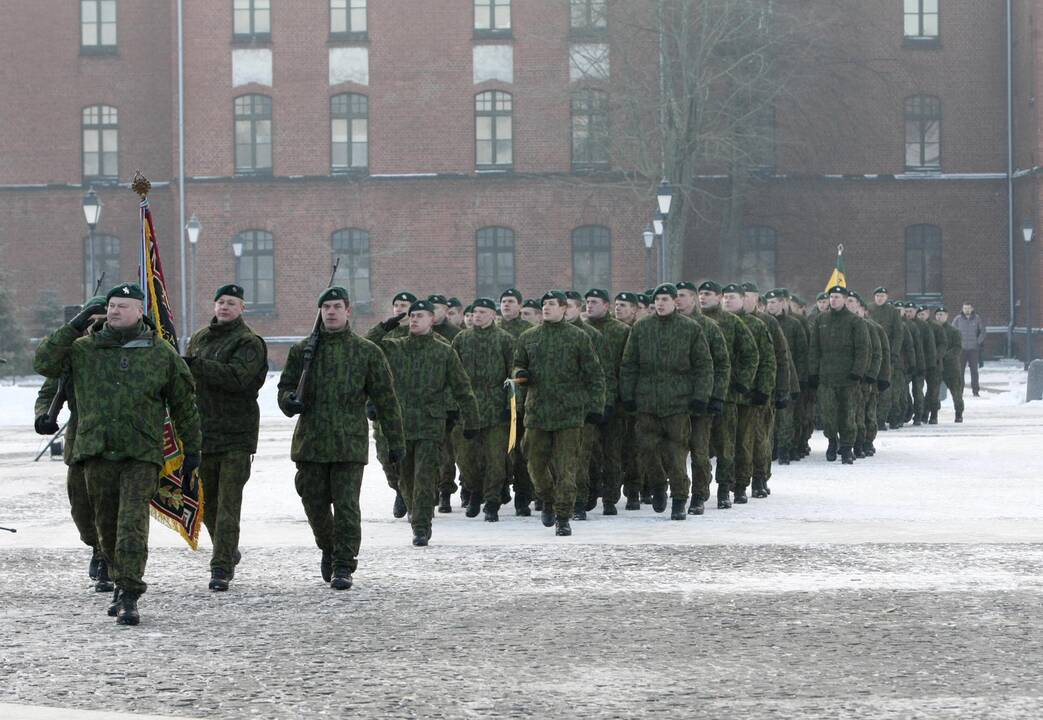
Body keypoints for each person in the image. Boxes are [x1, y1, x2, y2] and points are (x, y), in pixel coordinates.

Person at [34, 282, 202, 625]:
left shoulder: (159, 352)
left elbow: (185, 404)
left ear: (140, 312)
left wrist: (193, 450)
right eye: (111, 305)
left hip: (140, 452)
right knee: (105, 525)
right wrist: (76, 323)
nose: (114, 311)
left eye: (122, 306)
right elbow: (44, 363)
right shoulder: (83, 349)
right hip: (95, 450)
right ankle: (114, 572)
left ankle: (129, 592)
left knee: (131, 523)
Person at [278, 286, 403, 589]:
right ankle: (329, 547)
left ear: (348, 311)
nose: (331, 312)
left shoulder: (366, 352)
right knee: (313, 502)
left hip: (348, 442)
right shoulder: (303, 351)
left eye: (336, 306)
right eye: (326, 307)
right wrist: (288, 401)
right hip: (311, 441)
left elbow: (386, 399)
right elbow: (285, 388)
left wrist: (396, 442)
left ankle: (344, 565)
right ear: (319, 312)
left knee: (347, 506)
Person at [369, 299, 479, 546]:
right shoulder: (396, 348)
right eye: (412, 316)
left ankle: (421, 525)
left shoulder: (443, 351)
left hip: (430, 424)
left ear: (432, 320)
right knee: (405, 478)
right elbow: (365, 345)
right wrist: (384, 327)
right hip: (401, 425)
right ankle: (415, 514)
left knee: (425, 476)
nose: (415, 319)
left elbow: (463, 389)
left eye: (420, 316)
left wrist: (471, 420)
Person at [184, 283, 268, 591]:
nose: (224, 307)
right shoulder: (200, 339)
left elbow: (239, 379)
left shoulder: (249, 342)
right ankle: (227, 549)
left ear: (242, 308)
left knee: (230, 504)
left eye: (231, 303)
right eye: (220, 301)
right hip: (202, 434)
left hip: (235, 435)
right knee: (207, 504)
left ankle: (220, 568)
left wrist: (197, 366)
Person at [511, 290, 605, 536]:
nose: (546, 308)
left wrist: (595, 407)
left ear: (564, 308)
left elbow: (594, 375)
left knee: (566, 468)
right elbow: (517, 364)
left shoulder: (578, 337)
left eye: (551, 304)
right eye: (544, 304)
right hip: (537, 413)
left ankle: (563, 515)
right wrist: (521, 374)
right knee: (534, 464)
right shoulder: (528, 337)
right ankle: (547, 498)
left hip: (569, 414)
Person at [33, 296, 110, 592]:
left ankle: (108, 559)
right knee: (81, 505)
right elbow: (48, 390)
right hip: (80, 441)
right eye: (92, 321)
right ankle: (96, 545)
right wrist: (43, 416)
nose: (98, 326)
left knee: (109, 505)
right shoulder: (73, 353)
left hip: (119, 443)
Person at [620, 283, 714, 520]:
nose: (660, 304)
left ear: (674, 302)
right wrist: (628, 395)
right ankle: (658, 484)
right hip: (647, 402)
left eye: (665, 299)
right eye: (657, 300)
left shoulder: (690, 329)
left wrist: (700, 397)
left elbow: (704, 366)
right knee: (647, 450)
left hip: (678, 402)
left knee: (676, 453)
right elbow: (629, 364)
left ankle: (680, 499)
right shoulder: (641, 328)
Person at [451, 297, 515, 521]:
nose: (477, 315)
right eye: (475, 312)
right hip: (467, 409)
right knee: (466, 459)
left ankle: (492, 502)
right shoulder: (461, 339)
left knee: (495, 459)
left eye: (482, 312)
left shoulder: (505, 340)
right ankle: (474, 490)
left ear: (492, 315)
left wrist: (510, 406)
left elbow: (512, 376)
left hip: (496, 408)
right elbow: (451, 375)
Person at [699, 281, 758, 510]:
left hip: (728, 395)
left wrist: (742, 382)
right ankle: (701, 490)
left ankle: (727, 488)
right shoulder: (694, 322)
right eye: (701, 294)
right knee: (701, 447)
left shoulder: (732, 322)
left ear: (719, 296)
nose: (703, 298)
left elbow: (750, 354)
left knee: (728, 445)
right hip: (700, 394)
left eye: (708, 294)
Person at [676, 281, 730, 511]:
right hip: (674, 401)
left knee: (700, 452)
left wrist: (716, 396)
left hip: (701, 400)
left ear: (693, 298)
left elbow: (721, 364)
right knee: (676, 452)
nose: (677, 300)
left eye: (682, 295)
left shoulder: (709, 327)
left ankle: (699, 494)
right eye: (675, 296)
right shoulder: (669, 326)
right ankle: (679, 492)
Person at [807, 285, 869, 464]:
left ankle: (847, 447)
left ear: (844, 299)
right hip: (826, 376)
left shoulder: (855, 322)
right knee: (828, 414)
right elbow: (814, 349)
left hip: (848, 377)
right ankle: (832, 442)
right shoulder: (821, 320)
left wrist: (858, 372)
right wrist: (813, 372)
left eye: (837, 297)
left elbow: (862, 350)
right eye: (831, 297)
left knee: (848, 414)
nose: (833, 300)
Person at [584, 288, 631, 515]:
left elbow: (625, 368)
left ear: (606, 305)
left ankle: (611, 498)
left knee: (613, 452)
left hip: (616, 403)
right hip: (588, 403)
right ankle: (590, 492)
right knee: (589, 452)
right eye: (587, 302)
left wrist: (618, 399)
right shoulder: (580, 331)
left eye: (594, 302)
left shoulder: (621, 331)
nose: (589, 306)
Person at [369, 291, 416, 518]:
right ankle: (398, 488)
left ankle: (413, 497)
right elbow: (364, 346)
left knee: (411, 457)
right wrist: (383, 327)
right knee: (385, 457)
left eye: (404, 305)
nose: (399, 308)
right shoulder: (384, 337)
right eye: (396, 305)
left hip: (413, 409)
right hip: (385, 407)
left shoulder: (420, 333)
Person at [729, 284, 776, 502]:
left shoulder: (762, 324)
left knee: (756, 439)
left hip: (754, 394)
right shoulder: (720, 323)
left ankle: (758, 478)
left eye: (745, 297)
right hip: (728, 395)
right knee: (733, 441)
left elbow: (771, 360)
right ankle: (733, 480)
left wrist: (765, 390)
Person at [497, 289, 534, 513]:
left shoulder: (528, 332)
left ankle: (523, 495)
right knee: (498, 451)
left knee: (521, 451)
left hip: (521, 402)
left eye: (511, 301)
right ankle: (499, 488)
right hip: (495, 402)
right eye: (503, 302)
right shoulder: (494, 330)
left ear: (520, 305)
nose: (506, 305)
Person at [766, 289, 808, 467]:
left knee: (786, 417)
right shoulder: (764, 322)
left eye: (774, 302)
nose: (771, 306)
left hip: (789, 376)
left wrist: (800, 378)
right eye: (768, 302)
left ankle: (785, 448)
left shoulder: (794, 324)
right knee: (770, 417)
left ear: (783, 303)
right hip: (768, 376)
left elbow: (801, 353)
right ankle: (772, 448)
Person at [868, 287, 904, 431]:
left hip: (887, 355)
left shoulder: (892, 312)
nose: (880, 298)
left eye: (882, 296)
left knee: (886, 389)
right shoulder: (869, 309)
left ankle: (882, 419)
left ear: (887, 297)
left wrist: (894, 353)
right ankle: (871, 418)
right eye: (877, 295)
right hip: (871, 354)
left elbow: (898, 334)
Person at [935, 307, 965, 422]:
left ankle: (958, 413)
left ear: (947, 316)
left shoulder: (954, 331)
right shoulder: (933, 330)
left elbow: (958, 348)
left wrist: (944, 355)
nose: (939, 317)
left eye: (941, 314)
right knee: (934, 392)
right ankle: (933, 414)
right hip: (937, 366)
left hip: (951, 367)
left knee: (956, 392)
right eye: (937, 314)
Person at [919, 304, 947, 424]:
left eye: (923, 314)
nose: (921, 316)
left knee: (933, 391)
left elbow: (943, 344)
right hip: (920, 363)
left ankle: (933, 414)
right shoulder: (916, 326)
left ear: (928, 313)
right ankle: (923, 413)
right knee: (919, 390)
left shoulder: (936, 327)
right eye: (919, 314)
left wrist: (936, 356)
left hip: (934, 364)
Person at [952, 302, 986, 396]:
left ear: (972, 309)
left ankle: (975, 391)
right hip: (961, 349)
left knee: (974, 371)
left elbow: (982, 332)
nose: (966, 310)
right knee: (960, 371)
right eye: (965, 308)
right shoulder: (958, 319)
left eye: (968, 308)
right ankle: (960, 390)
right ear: (962, 309)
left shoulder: (977, 318)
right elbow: (952, 331)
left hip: (973, 349)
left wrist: (977, 342)